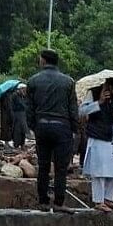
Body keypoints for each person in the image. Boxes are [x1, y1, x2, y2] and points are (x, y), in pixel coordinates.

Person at [26, 49, 79, 214]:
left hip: (42, 125)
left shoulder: (33, 81)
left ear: (43, 61)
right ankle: (58, 202)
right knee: (61, 168)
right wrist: (74, 129)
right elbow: (73, 108)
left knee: (43, 165)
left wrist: (34, 126)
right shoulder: (68, 82)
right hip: (62, 127)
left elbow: (30, 108)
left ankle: (42, 201)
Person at [80, 78, 113, 212]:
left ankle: (108, 199)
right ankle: (98, 201)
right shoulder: (93, 92)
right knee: (99, 172)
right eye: (112, 89)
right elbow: (82, 111)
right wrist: (99, 102)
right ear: (107, 85)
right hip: (97, 135)